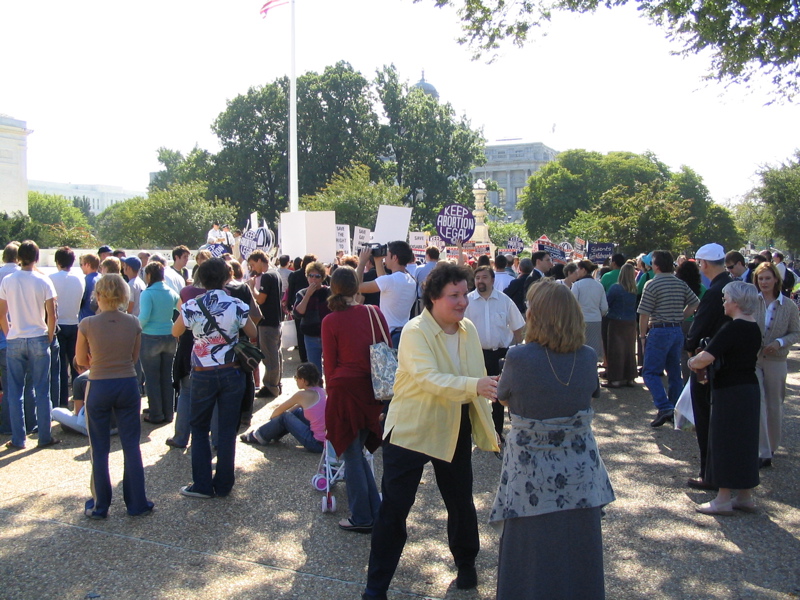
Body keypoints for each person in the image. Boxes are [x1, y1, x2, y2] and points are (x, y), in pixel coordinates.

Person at [363, 263, 499, 600]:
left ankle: (466, 564)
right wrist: (476, 386)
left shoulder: (468, 329)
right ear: (433, 299)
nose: (462, 301)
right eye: (454, 295)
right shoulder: (414, 331)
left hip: (453, 426)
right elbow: (428, 378)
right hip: (411, 428)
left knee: (460, 502)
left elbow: (476, 378)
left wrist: (489, 424)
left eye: (464, 294)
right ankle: (375, 587)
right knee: (394, 509)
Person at [489, 280, 615, 599]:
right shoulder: (587, 356)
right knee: (578, 556)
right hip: (580, 475)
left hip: (530, 476)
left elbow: (503, 397)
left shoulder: (519, 358)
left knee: (529, 558)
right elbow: (591, 394)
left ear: (538, 315)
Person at [173, 258, 257, 499]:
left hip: (202, 372)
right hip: (231, 370)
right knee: (227, 429)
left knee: (199, 428)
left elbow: (176, 331)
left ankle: (201, 484)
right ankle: (224, 484)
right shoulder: (236, 303)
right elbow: (252, 332)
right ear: (227, 277)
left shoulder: (192, 305)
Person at [76, 274, 154, 519]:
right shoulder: (133, 322)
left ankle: (100, 505)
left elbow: (80, 361)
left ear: (98, 296)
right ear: (123, 296)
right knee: (131, 445)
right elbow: (133, 358)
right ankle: (137, 502)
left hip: (99, 384)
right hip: (127, 383)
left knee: (98, 448)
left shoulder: (87, 324)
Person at [322, 266, 389, 533]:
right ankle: (373, 508)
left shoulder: (331, 320)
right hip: (373, 388)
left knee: (351, 454)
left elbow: (329, 364)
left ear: (334, 287)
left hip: (344, 390)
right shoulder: (374, 312)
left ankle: (361, 516)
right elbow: (387, 350)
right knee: (357, 452)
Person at [688, 282, 762, 515]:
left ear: (737, 301)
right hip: (749, 388)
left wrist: (692, 362)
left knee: (724, 441)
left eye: (726, 297)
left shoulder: (732, 328)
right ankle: (745, 495)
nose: (724, 301)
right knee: (745, 442)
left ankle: (722, 498)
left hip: (729, 390)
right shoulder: (753, 327)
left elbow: (704, 358)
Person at [0, 240, 59, 450]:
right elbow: (52, 314)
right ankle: (44, 436)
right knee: (42, 389)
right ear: (36, 257)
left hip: (15, 337)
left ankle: (18, 438)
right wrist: (50, 335)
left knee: (15, 392)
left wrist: (9, 333)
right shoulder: (43, 281)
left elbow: (1, 313)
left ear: (18, 258)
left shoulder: (8, 280)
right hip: (38, 336)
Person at [685, 243, 731, 489]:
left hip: (709, 363)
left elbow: (698, 329)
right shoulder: (733, 286)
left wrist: (690, 344)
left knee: (705, 420)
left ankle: (708, 473)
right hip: (729, 362)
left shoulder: (714, 292)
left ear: (703, 264)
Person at [464, 265, 525, 446]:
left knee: (498, 396)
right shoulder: (467, 301)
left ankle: (496, 434)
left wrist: (515, 350)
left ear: (492, 280)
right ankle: (471, 434)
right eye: (477, 278)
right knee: (472, 394)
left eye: (484, 277)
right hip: (475, 354)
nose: (480, 281)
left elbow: (518, 327)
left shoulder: (504, 301)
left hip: (499, 355)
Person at [638, 250, 699, 428]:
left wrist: (642, 336)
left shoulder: (652, 284)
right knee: (674, 372)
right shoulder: (680, 283)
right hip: (676, 330)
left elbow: (644, 313)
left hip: (659, 330)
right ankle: (674, 409)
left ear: (655, 265)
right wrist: (681, 316)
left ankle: (664, 406)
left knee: (650, 372)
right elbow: (695, 302)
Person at [753, 262, 800, 468]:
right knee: (758, 402)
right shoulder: (751, 302)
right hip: (754, 359)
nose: (764, 282)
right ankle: (761, 450)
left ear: (775, 280)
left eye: (767, 278)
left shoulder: (788, 305)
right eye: (760, 278)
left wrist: (779, 342)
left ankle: (771, 447)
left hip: (776, 360)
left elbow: (796, 332)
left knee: (774, 404)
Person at [239, 362, 325, 452]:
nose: (295, 380)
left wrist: (273, 419)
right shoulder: (321, 391)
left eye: (296, 377)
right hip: (324, 441)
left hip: (315, 443)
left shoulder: (302, 395)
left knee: (284, 416)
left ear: (303, 380)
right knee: (296, 412)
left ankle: (257, 435)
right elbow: (294, 409)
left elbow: (279, 410)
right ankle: (273, 433)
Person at [138, 261, 180, 424]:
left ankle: (156, 413)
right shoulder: (171, 291)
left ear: (149, 275)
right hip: (169, 336)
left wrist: (134, 328)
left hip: (150, 338)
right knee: (166, 376)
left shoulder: (147, 293)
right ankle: (168, 412)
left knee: (152, 378)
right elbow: (181, 310)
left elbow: (144, 317)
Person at [358, 241, 417, 348]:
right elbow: (384, 280)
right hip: (403, 334)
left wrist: (362, 262)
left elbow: (357, 287)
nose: (385, 257)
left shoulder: (389, 281)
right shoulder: (411, 280)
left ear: (394, 257)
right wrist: (378, 261)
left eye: (387, 254)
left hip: (388, 337)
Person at [49, 246, 85, 407]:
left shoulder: (51, 278)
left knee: (60, 367)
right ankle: (80, 399)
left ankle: (60, 402)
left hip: (58, 324)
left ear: (58, 261)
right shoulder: (79, 278)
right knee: (76, 364)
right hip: (74, 322)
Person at [247, 250, 283, 399]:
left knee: (269, 357)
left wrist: (251, 287)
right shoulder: (276, 274)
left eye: (253, 264)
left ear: (260, 260)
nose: (253, 268)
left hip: (268, 322)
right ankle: (276, 384)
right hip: (275, 320)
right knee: (276, 354)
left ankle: (270, 386)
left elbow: (260, 299)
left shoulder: (268, 276)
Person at [293, 261, 331, 374]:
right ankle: (317, 390)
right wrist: (308, 295)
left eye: (317, 276)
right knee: (314, 369)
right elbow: (298, 313)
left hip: (327, 335)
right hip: (310, 336)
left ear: (322, 278)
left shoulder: (328, 291)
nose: (313, 279)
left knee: (330, 367)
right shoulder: (302, 293)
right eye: (311, 276)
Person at [604, 263, 638, 388]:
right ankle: (630, 378)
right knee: (629, 350)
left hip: (616, 320)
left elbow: (607, 303)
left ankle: (616, 379)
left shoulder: (615, 288)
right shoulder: (635, 288)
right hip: (631, 320)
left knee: (616, 350)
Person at [571, 260, 608, 362]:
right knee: (594, 351)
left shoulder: (577, 285)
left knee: (580, 350)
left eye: (578, 269)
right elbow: (604, 307)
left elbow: (572, 305)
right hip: (596, 321)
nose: (577, 271)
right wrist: (597, 315)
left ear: (583, 270)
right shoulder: (599, 285)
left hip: (580, 322)